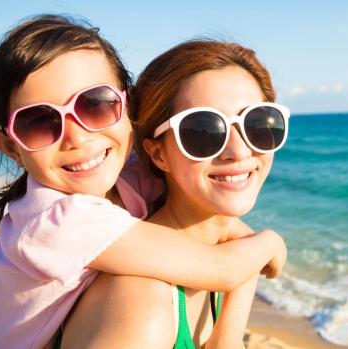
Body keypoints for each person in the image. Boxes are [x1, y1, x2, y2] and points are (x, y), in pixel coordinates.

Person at [0, 15, 286, 349]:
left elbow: (229, 232)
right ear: (11, 148)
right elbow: (224, 268)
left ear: (126, 107)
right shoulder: (58, 222)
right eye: (39, 122)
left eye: (95, 105)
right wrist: (269, 242)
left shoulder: (130, 178)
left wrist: (227, 332)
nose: (76, 138)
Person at [61, 39, 290, 348]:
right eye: (202, 131)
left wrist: (252, 255)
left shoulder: (233, 256)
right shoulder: (142, 305)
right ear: (158, 154)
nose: (239, 150)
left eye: (258, 122)